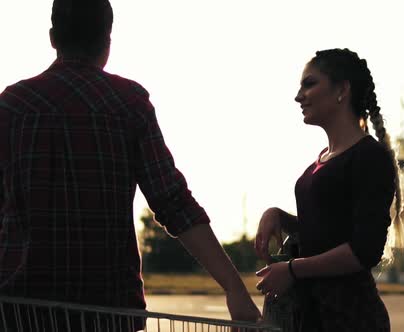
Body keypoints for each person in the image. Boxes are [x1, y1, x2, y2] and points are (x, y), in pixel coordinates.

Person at [0, 0, 260, 330]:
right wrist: (234, 288)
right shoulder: (127, 102)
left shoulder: (12, 106)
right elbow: (173, 201)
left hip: (20, 310)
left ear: (53, 38)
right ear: (108, 40)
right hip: (108, 310)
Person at [254, 48, 404, 331]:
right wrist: (279, 216)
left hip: (348, 318)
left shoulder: (368, 157)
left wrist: (292, 269)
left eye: (309, 84)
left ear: (342, 90)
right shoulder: (322, 159)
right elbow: (326, 235)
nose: (299, 96)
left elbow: (364, 250)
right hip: (312, 315)